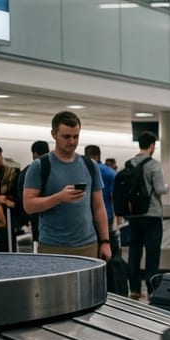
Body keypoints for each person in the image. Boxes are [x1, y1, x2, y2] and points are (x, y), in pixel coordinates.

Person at [22, 112, 111, 261]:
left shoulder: (90, 165)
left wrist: (105, 241)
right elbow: (29, 205)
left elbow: (98, 207)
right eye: (66, 137)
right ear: (54, 134)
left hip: (88, 245)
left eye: (76, 136)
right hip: (53, 246)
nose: (72, 141)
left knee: (87, 285)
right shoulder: (40, 166)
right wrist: (59, 198)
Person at [125, 132, 167, 299]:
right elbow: (159, 189)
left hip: (134, 216)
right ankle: (151, 290)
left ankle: (134, 289)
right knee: (152, 253)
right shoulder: (154, 165)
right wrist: (166, 187)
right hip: (152, 215)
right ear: (152, 145)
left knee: (134, 252)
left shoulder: (129, 164)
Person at [83, 145, 117, 256]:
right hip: (107, 215)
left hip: (86, 215)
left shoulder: (83, 170)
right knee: (105, 247)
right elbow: (113, 196)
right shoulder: (110, 172)